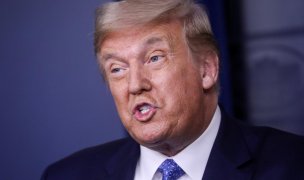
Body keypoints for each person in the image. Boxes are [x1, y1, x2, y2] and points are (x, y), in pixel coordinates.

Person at [41, 0, 304, 179]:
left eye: (155, 58)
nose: (135, 85)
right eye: (117, 69)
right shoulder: (66, 175)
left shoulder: (293, 164)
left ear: (207, 69)